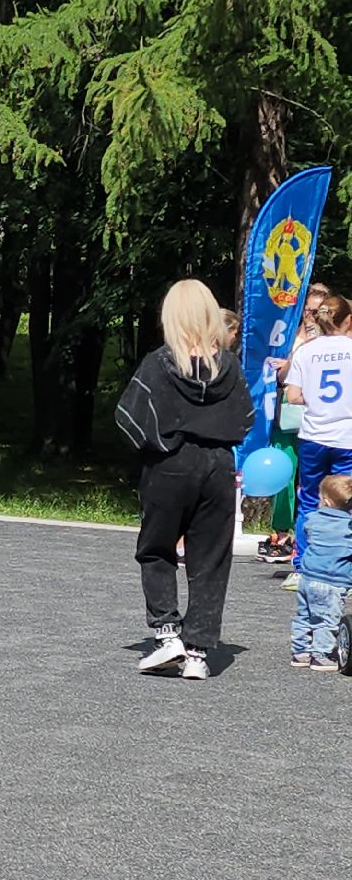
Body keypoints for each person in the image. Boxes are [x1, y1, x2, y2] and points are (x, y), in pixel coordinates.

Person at [116, 278, 252, 681]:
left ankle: (167, 633)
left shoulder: (160, 363)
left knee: (156, 549)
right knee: (211, 559)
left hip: (169, 465)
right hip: (219, 466)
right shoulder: (228, 366)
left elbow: (128, 417)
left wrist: (159, 445)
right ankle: (198, 651)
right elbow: (246, 419)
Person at [282, 295, 352, 586]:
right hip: (346, 436)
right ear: (348, 320)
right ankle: (343, 566)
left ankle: (302, 565)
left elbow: (292, 396)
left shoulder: (306, 351)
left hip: (313, 435)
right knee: (347, 501)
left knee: (309, 499)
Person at [263, 283, 332, 565]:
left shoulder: (334, 342)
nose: (311, 316)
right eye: (307, 310)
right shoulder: (289, 335)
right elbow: (280, 378)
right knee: (284, 470)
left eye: (317, 311)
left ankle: (315, 534)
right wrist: (294, 357)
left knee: (317, 478)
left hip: (320, 417)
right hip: (289, 413)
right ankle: (281, 532)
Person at [289, 473, 352, 672]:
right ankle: (320, 655)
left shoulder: (313, 519)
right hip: (333, 581)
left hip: (307, 578)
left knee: (304, 616)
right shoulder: (348, 528)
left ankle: (300, 652)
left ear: (326, 501)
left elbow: (307, 532)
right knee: (327, 620)